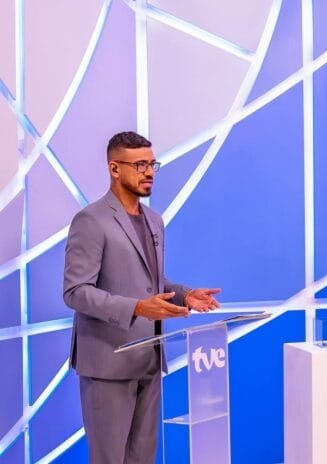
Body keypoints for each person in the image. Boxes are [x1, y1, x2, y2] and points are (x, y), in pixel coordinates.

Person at [63, 131, 221, 463]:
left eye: (152, 164)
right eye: (139, 165)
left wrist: (184, 296)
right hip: (108, 363)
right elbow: (76, 292)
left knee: (143, 458)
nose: (149, 172)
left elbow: (150, 281)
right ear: (114, 168)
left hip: (148, 359)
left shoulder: (153, 220)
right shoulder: (91, 221)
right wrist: (136, 308)